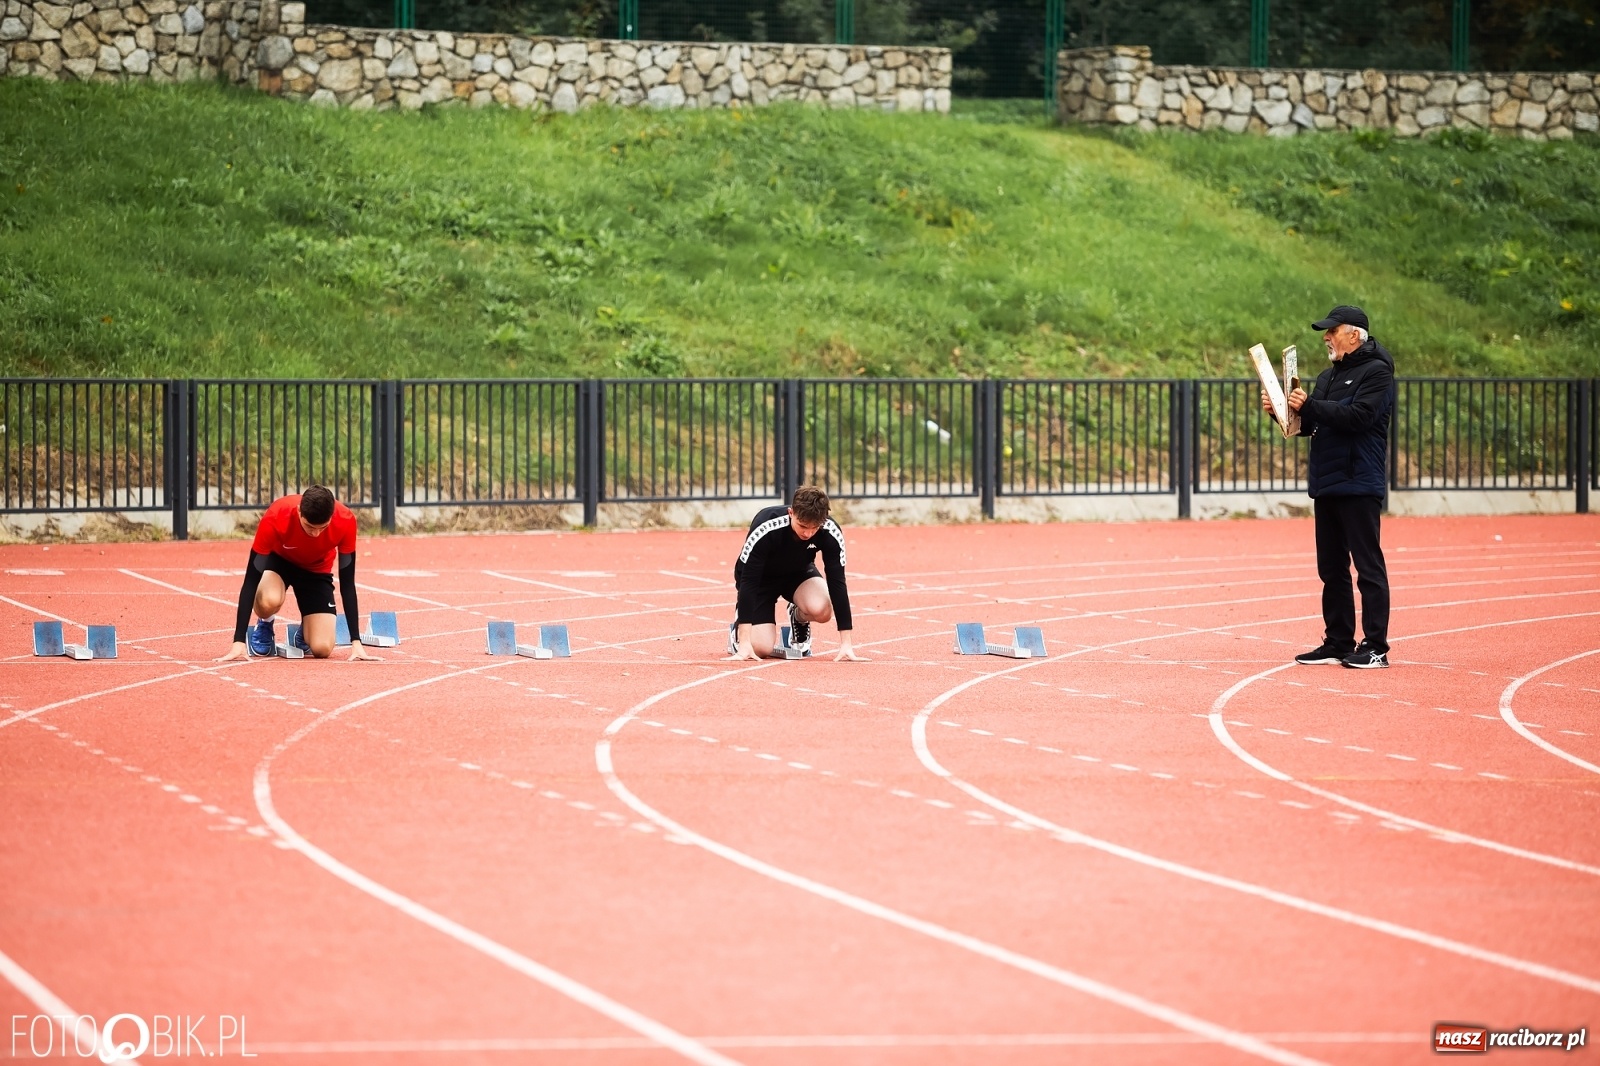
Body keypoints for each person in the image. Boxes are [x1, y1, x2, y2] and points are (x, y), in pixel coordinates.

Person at [1264, 304, 1394, 670]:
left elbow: (1359, 418)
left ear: (1354, 335)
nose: (1326, 337)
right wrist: (1280, 412)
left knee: (1368, 567)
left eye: (1332, 330)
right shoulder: (1328, 376)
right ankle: (1338, 641)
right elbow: (1310, 425)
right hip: (1327, 483)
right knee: (1332, 569)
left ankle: (1376, 647)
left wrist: (1311, 405)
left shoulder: (1378, 372)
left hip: (1359, 482)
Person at [216, 485, 377, 662]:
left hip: (316, 569)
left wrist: (356, 641)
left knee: (322, 648)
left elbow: (347, 583)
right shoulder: (276, 515)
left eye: (323, 527)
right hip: (279, 562)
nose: (315, 534)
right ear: (299, 511)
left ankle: (306, 629)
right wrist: (238, 641)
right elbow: (251, 580)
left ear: (332, 516)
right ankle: (265, 623)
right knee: (269, 600)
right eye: (309, 526)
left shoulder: (346, 520)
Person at [727, 485, 865, 662]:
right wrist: (745, 642)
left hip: (797, 575)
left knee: (823, 610)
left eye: (814, 528)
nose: (808, 533)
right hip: (761, 580)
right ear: (791, 513)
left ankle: (797, 616)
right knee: (760, 648)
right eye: (802, 526)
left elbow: (837, 583)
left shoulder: (830, 531)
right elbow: (748, 581)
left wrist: (846, 644)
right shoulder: (766, 526)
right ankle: (738, 634)